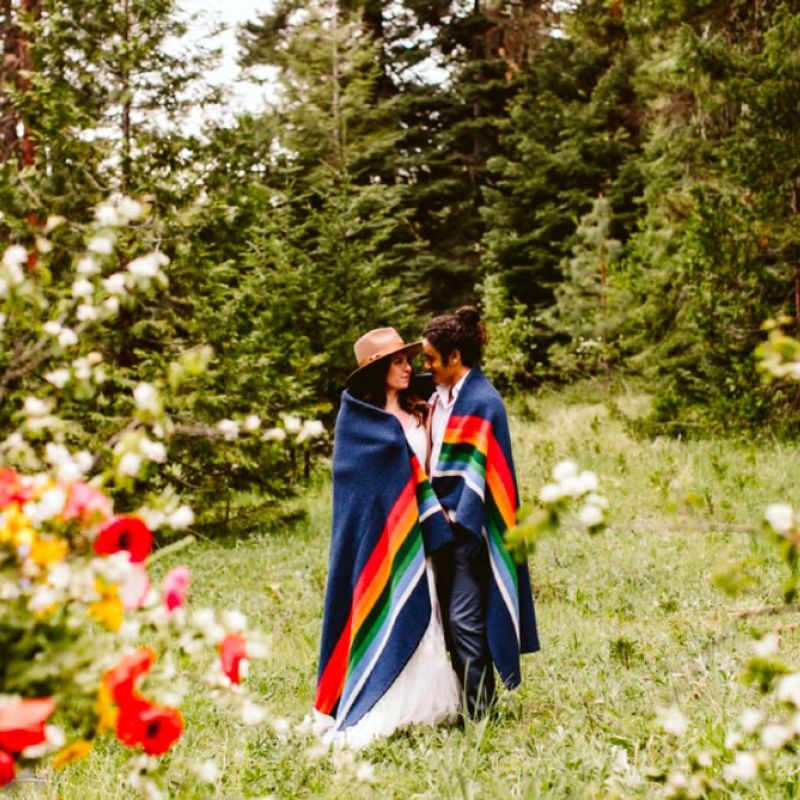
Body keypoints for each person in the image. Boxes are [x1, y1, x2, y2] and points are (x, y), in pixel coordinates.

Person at [313, 327, 460, 748]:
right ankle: (382, 702)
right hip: (380, 540)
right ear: (377, 370)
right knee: (385, 603)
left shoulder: (422, 411)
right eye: (397, 362)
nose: (407, 368)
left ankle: (423, 705)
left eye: (407, 360)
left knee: (424, 604)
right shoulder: (359, 425)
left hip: (418, 533)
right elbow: (355, 489)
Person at [422, 306, 540, 717]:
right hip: (438, 527)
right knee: (447, 624)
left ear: (454, 357)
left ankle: (481, 714)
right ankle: (463, 705)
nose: (427, 367)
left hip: (471, 531)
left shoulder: (483, 402)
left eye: (432, 359)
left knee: (464, 620)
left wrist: (461, 517)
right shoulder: (438, 397)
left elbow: (487, 476)